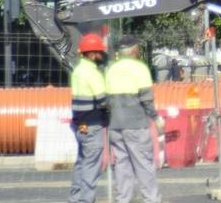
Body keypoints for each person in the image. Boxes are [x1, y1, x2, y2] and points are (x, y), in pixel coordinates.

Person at [105, 37, 163, 203]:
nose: (139, 52)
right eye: (138, 49)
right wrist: (156, 117)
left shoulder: (111, 69)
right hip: (136, 125)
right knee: (143, 164)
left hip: (115, 126)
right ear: (133, 51)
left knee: (122, 166)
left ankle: (123, 199)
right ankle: (151, 199)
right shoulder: (139, 68)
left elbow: (106, 101)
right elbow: (146, 99)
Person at [69, 32, 108, 203]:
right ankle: (86, 200)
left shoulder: (78, 70)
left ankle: (75, 198)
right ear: (92, 54)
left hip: (80, 124)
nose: (101, 55)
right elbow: (103, 100)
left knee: (81, 162)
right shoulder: (92, 73)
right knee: (91, 166)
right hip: (92, 125)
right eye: (100, 52)